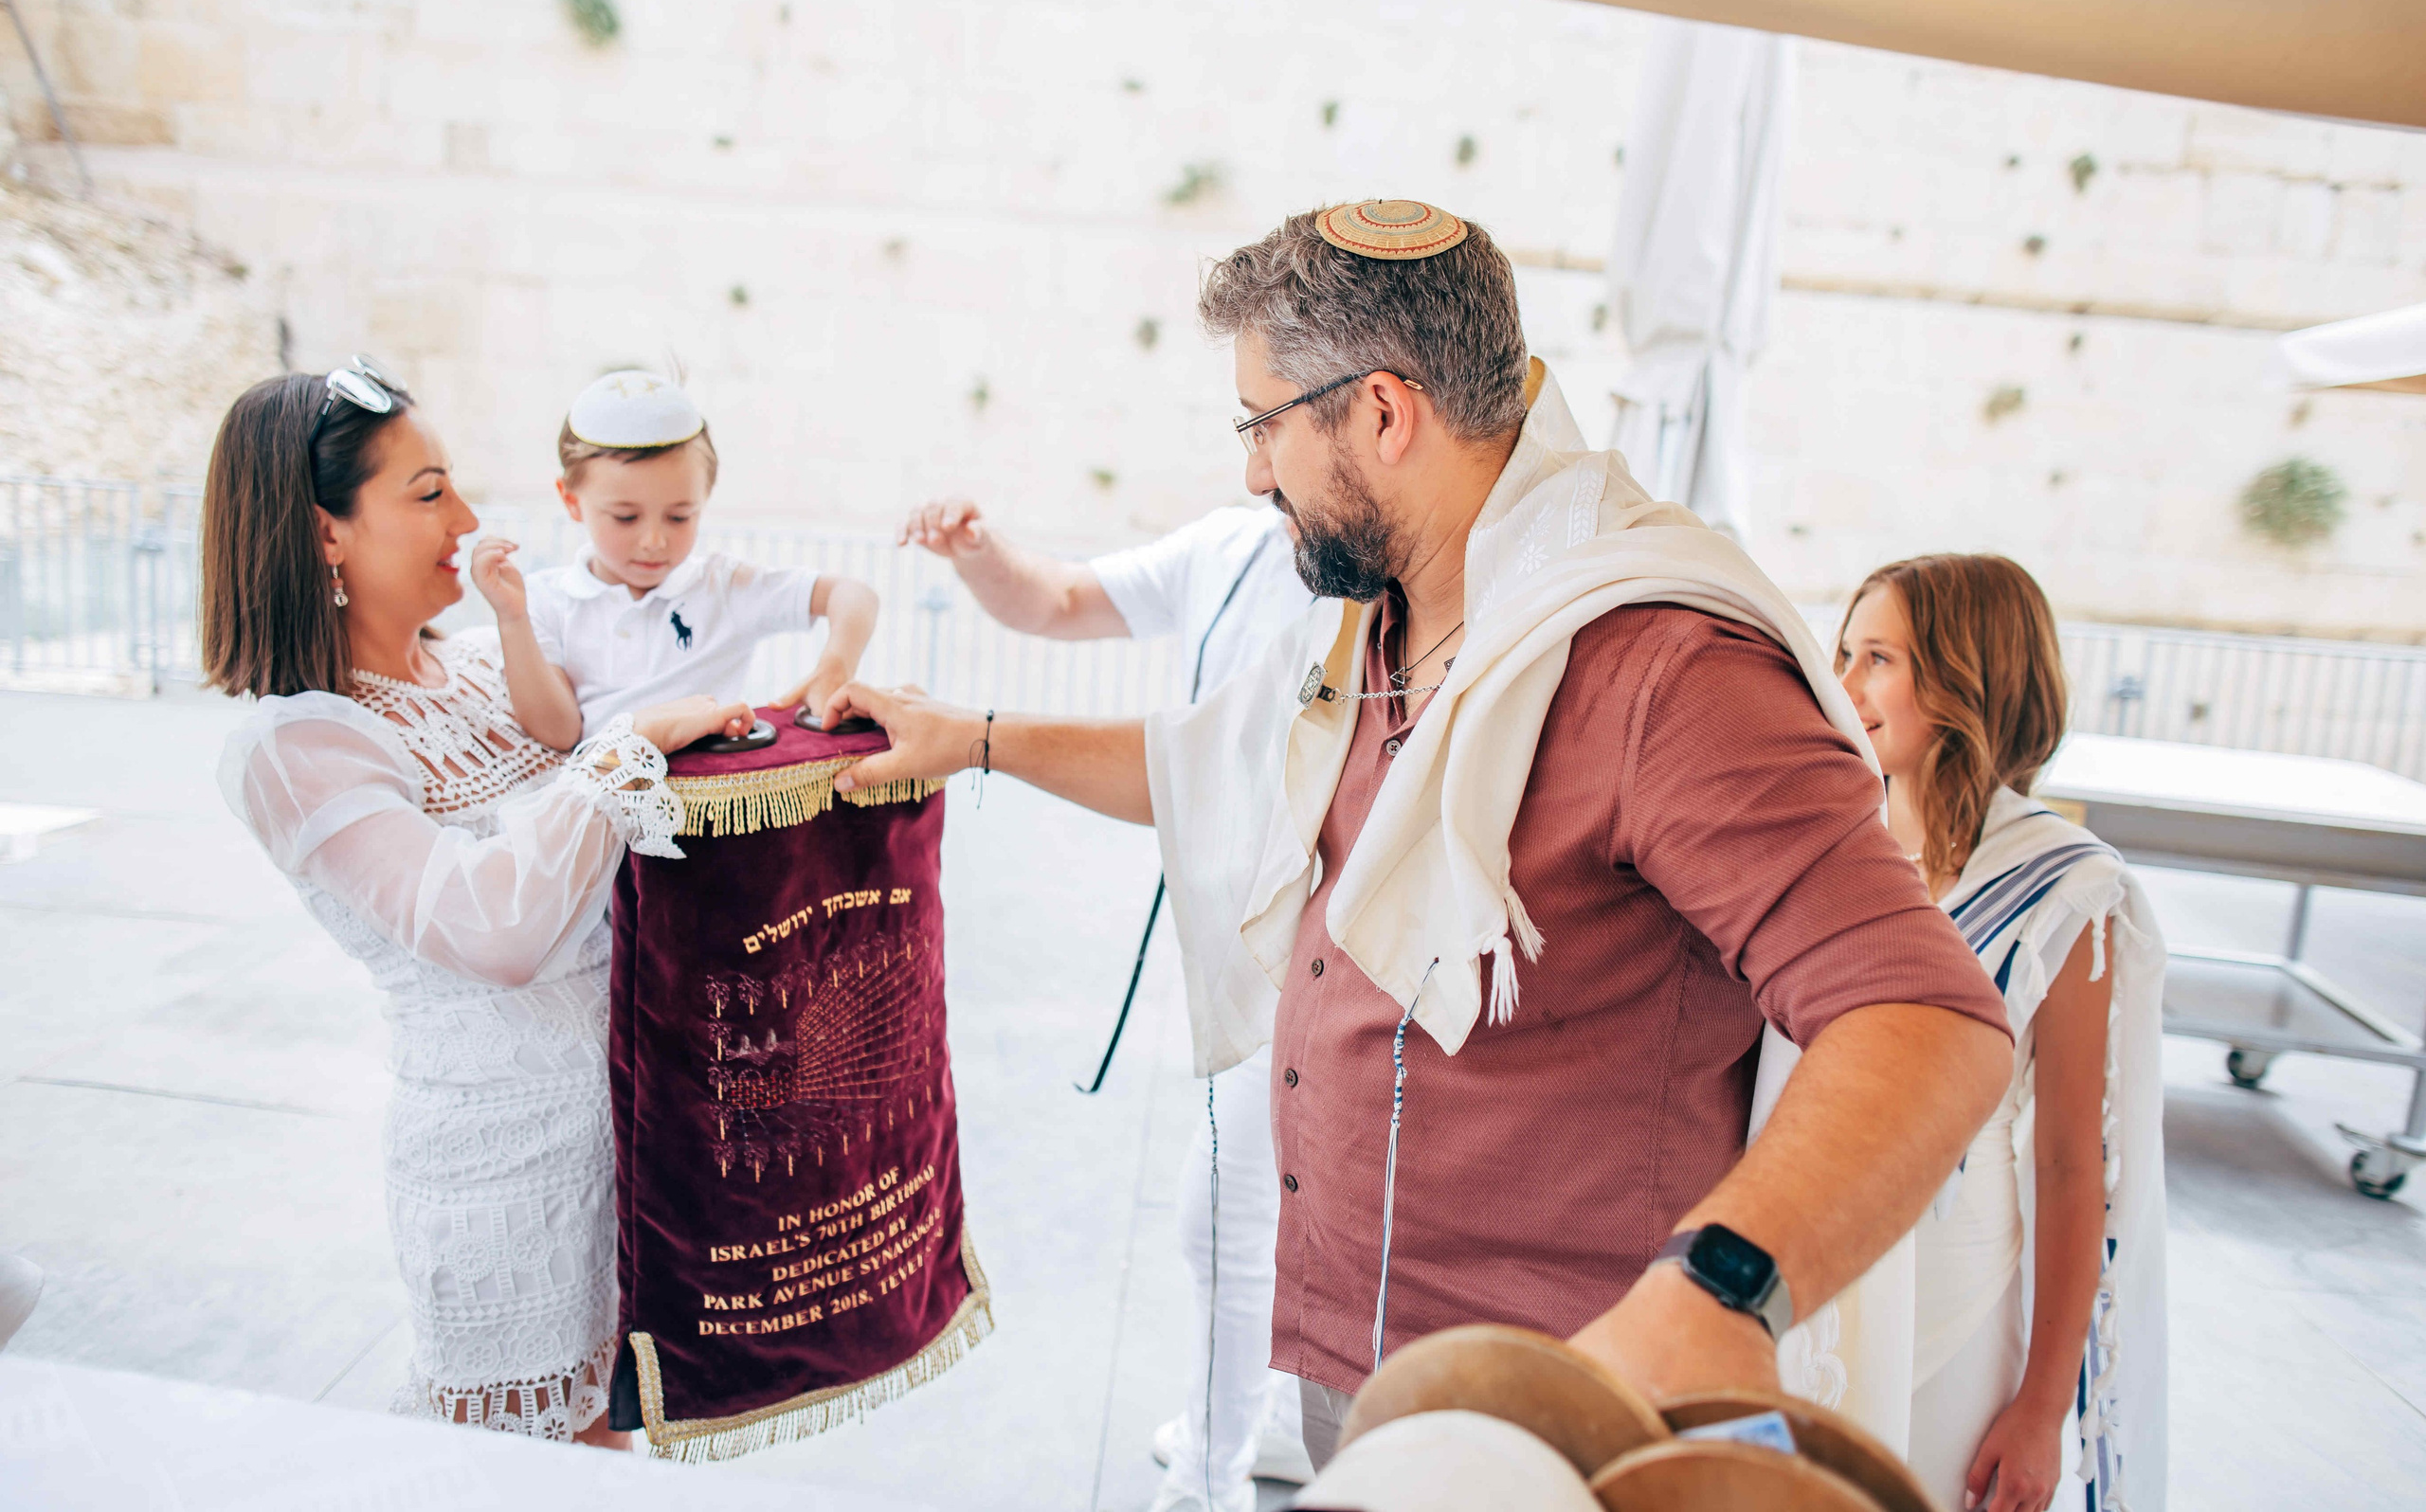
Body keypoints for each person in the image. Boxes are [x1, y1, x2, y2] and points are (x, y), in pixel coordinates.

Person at [814, 200, 2016, 1466]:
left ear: (1384, 413)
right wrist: (971, 734)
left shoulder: (1664, 668)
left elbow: (1926, 1018)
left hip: (1558, 1401)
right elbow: (1217, 761)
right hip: (1363, 1353)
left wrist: (1715, 1291)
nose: (1249, 472)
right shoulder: (1383, 616)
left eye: (1261, 423)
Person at [202, 359, 748, 1446]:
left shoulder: (485, 671)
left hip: (628, 1143)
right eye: (427, 492)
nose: (466, 517)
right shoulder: (299, 741)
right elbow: (494, 929)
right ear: (324, 535)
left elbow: (609, 852)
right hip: (508, 1176)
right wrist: (632, 748)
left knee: (616, 1441)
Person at [898, 495, 1321, 1510]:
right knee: (1264, 1211)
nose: (1256, 456)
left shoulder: (1387, 571)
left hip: (1323, 950)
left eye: (1270, 419)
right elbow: (1057, 601)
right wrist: (981, 549)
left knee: (1223, 1214)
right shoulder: (1229, 544)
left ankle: (1209, 1482)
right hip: (1243, 938)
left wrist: (972, 737)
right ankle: (1260, 1425)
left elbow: (1189, 768)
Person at [1837, 556, 2167, 1512]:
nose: (1847, 685)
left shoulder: (2064, 889)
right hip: (1819, 1263)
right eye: (1846, 653)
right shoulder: (1835, 842)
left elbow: (2072, 1165)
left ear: (1963, 678)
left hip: (1958, 1284)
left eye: (1879, 658)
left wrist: (2040, 1408)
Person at [469, 370, 878, 748]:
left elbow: (853, 594)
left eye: (679, 516)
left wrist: (835, 665)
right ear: (571, 501)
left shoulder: (723, 587)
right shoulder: (545, 600)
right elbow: (559, 732)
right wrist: (512, 619)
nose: (653, 541)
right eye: (626, 517)